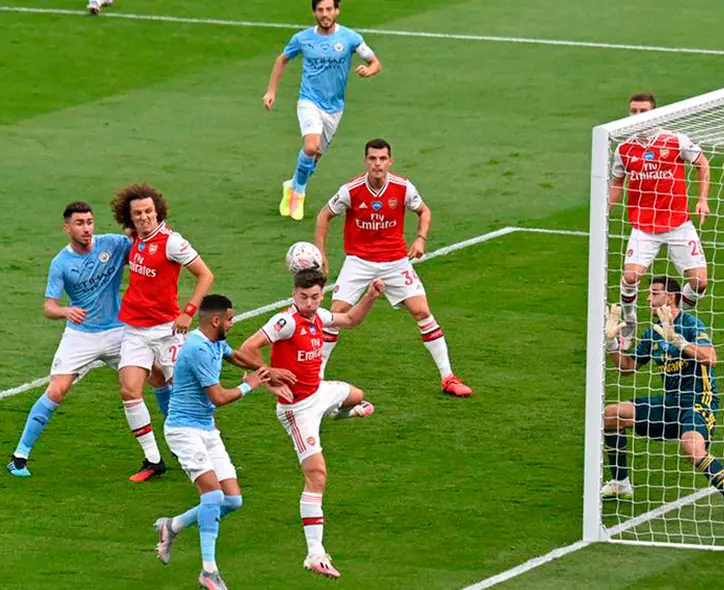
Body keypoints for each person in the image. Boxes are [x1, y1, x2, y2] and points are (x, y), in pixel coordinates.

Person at [238, 270, 383, 579]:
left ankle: (340, 413)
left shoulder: (319, 316)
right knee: (317, 476)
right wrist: (270, 374)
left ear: (321, 295)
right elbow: (248, 348)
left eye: (315, 297)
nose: (309, 302)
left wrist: (370, 296)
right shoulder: (285, 321)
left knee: (358, 396)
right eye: (303, 297)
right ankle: (315, 553)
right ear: (294, 295)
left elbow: (352, 320)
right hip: (297, 410)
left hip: (319, 393)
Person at [154, 294, 294, 590]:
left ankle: (172, 525)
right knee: (213, 497)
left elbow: (235, 356)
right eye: (230, 319)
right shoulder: (198, 349)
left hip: (206, 429)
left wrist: (266, 370)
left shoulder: (214, 341)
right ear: (216, 320)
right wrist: (250, 385)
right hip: (184, 430)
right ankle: (208, 571)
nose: (233, 323)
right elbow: (218, 397)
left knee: (232, 499)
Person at [315, 138, 472, 396]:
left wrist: (420, 239)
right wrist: (321, 252)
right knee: (335, 315)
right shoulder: (351, 190)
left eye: (382, 159)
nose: (377, 164)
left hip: (395, 262)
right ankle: (316, 380)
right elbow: (325, 215)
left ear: (390, 161)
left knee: (422, 311)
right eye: (373, 159)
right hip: (359, 261)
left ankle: (449, 378)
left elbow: (424, 211)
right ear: (366, 161)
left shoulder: (403, 187)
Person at [602, 276, 724, 526]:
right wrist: (611, 344)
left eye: (653, 293)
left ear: (670, 297)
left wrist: (678, 341)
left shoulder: (690, 324)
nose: (648, 298)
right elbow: (628, 368)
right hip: (669, 403)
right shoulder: (652, 332)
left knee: (692, 450)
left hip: (698, 402)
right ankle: (620, 483)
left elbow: (711, 357)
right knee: (611, 415)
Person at [7, 202, 131, 477]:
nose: (86, 228)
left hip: (117, 331)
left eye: (89, 222)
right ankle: (19, 457)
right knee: (56, 390)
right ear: (67, 228)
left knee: (157, 375)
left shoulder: (113, 244)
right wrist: (65, 310)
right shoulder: (60, 263)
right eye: (79, 223)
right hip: (81, 335)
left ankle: (180, 439)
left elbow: (143, 250)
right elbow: (49, 307)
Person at [111, 183, 215, 482]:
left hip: (167, 331)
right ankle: (153, 460)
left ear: (157, 212)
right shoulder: (134, 239)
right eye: (138, 214)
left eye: (148, 212)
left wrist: (189, 312)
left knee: (189, 394)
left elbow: (206, 275)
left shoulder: (172, 243)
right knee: (130, 390)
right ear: (130, 218)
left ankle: (208, 447)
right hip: (134, 329)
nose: (144, 217)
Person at [262, 0, 382, 221]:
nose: (325, 14)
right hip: (309, 101)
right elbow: (282, 59)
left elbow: (375, 62)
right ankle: (298, 193)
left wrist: (369, 70)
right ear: (314, 12)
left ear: (337, 10)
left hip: (334, 108)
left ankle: (293, 184)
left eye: (329, 9)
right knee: (311, 146)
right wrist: (271, 91)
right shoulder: (303, 38)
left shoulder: (350, 38)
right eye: (320, 10)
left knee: (315, 156)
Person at [609, 92, 712, 349]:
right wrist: (606, 209)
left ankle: (674, 323)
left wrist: (702, 199)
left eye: (643, 111)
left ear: (655, 112)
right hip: (644, 227)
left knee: (699, 283)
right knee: (631, 277)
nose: (637, 116)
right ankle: (630, 326)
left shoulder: (675, 140)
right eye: (633, 111)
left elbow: (702, 164)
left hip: (679, 224)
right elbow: (617, 183)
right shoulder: (624, 149)